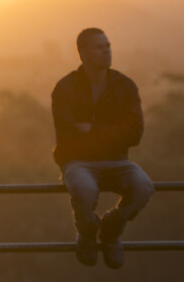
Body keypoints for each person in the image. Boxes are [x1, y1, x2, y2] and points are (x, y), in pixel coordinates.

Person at [52, 27, 154, 269]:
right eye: (99, 47)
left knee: (144, 187)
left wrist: (92, 129)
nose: (107, 50)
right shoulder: (65, 88)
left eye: (108, 45)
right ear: (83, 53)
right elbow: (67, 133)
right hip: (77, 161)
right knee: (84, 188)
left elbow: (135, 133)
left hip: (117, 160)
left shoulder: (125, 86)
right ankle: (86, 233)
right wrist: (113, 131)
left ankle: (111, 229)